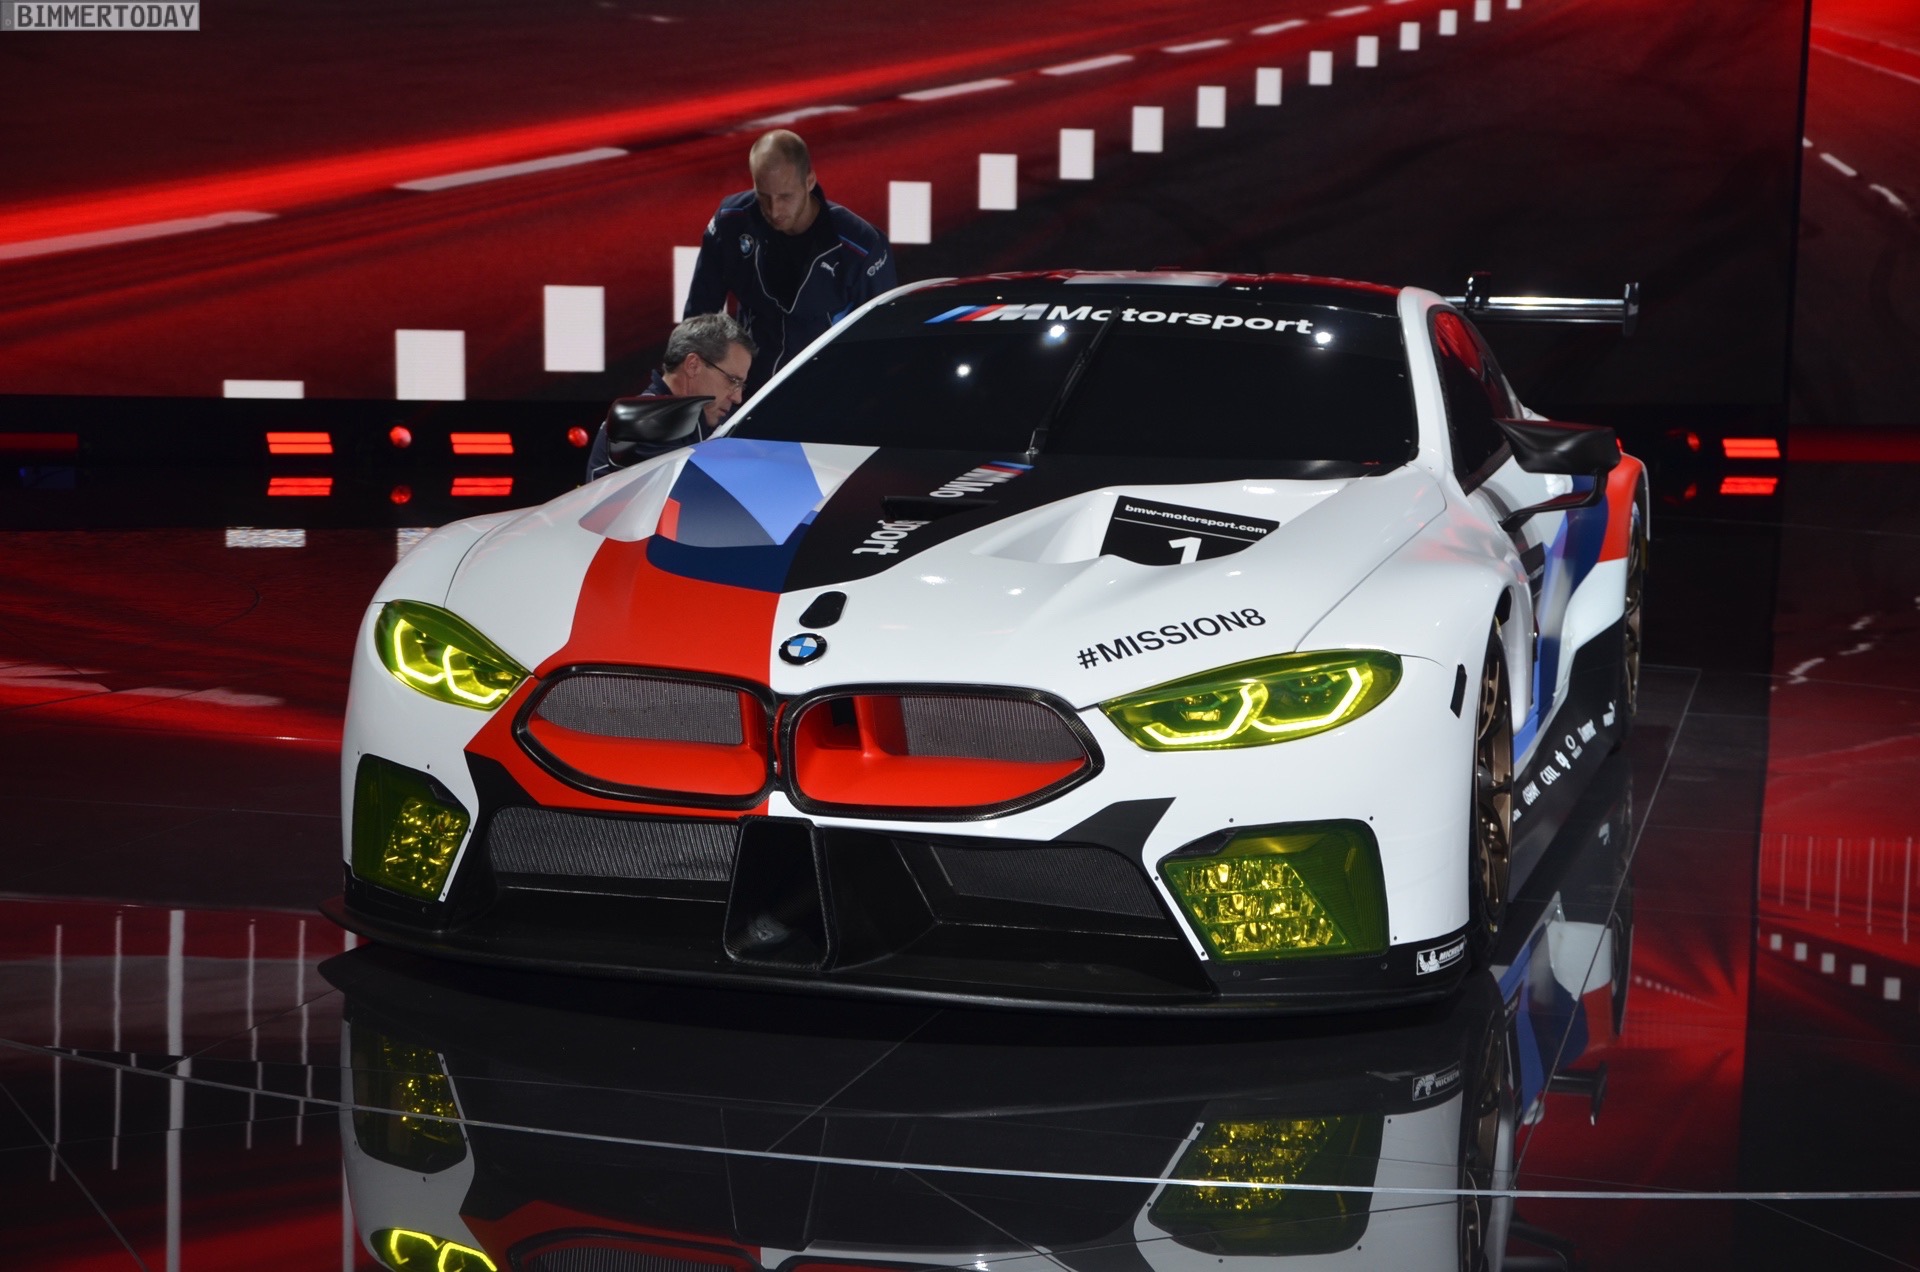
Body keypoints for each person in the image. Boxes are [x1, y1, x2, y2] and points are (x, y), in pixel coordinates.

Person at [684, 129, 896, 393]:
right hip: (749, 394)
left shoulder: (861, 247)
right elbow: (698, 317)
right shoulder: (731, 221)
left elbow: (881, 343)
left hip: (829, 394)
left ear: (809, 181)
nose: (774, 210)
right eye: (763, 196)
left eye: (785, 197)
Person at [585, 313, 755, 481]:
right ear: (693, 366)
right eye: (732, 380)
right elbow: (696, 489)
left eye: (741, 385)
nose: (737, 397)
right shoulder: (644, 421)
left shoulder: (707, 415)